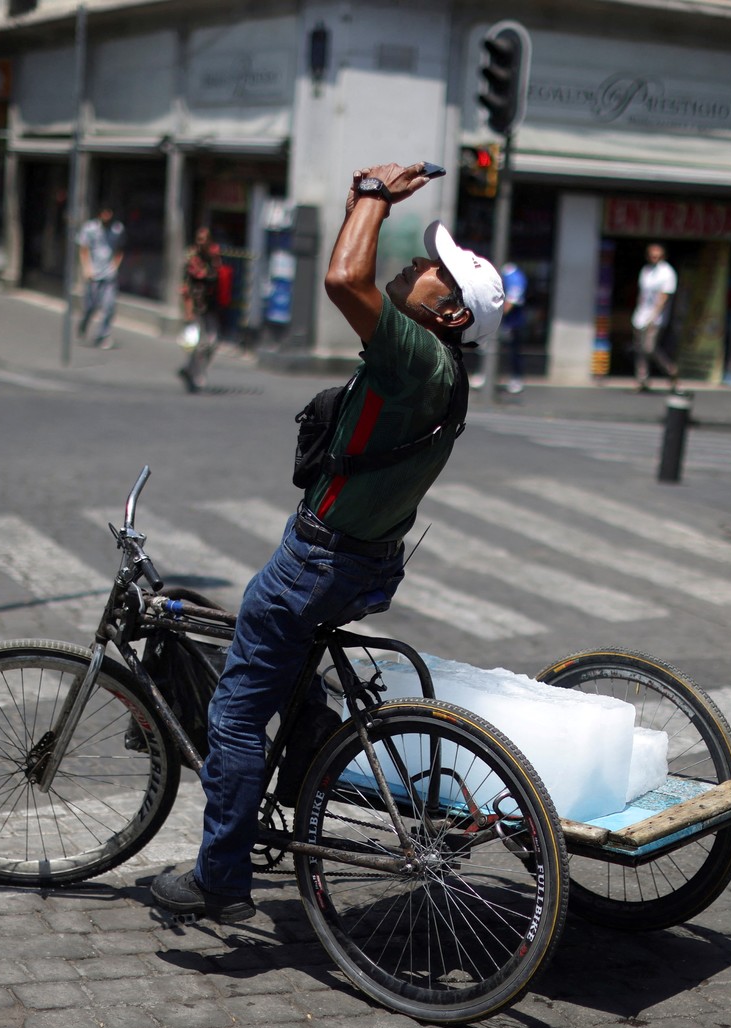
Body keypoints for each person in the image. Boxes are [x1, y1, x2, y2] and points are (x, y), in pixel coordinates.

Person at [150, 160, 503, 923]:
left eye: (433, 271)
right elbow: (359, 267)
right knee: (285, 675)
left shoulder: (417, 358)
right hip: (356, 560)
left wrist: (374, 199)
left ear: (448, 314)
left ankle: (219, 881)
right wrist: (359, 204)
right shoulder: (433, 361)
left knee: (236, 718)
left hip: (318, 560)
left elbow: (344, 280)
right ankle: (308, 751)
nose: (416, 264)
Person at [177, 227, 222, 391]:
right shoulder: (191, 258)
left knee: (212, 343)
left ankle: (190, 368)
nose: (201, 242)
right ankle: (197, 374)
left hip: (211, 306)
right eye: (199, 239)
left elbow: (217, 280)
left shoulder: (215, 257)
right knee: (196, 344)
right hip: (196, 306)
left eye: (204, 239)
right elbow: (185, 286)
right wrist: (187, 309)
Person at [631, 242, 679, 394]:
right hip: (641, 315)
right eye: (652, 255)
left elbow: (664, 297)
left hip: (656, 317)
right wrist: (638, 313)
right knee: (639, 349)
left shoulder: (667, 273)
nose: (654, 258)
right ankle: (642, 379)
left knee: (649, 348)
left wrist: (653, 317)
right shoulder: (646, 271)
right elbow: (642, 294)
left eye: (657, 255)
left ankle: (670, 370)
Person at [75, 204, 125, 349]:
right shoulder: (90, 228)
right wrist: (87, 269)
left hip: (109, 274)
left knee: (109, 306)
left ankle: (102, 335)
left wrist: (115, 267)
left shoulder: (117, 229)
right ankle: (84, 323)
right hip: (94, 273)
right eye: (104, 212)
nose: (107, 215)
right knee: (91, 306)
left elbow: (120, 250)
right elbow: (83, 249)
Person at [500, 261, 528, 394]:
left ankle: (516, 378)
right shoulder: (508, 275)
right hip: (506, 320)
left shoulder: (513, 276)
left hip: (513, 321)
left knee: (513, 351)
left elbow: (512, 300)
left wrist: (497, 315)